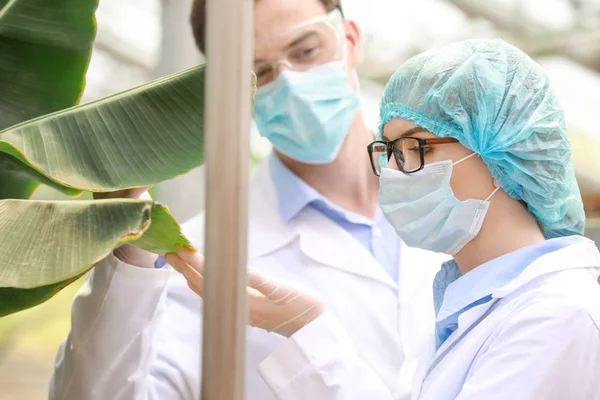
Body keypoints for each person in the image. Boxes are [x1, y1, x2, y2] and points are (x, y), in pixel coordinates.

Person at [49, 1, 448, 399]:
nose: (290, 83)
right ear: (228, 92)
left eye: (306, 50)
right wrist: (128, 251)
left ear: (351, 39)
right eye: (258, 72)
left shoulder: (463, 189)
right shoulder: (199, 262)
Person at [170, 38, 600, 400]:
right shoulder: (473, 309)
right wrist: (307, 329)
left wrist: (312, 336)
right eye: (389, 152)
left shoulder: (556, 316)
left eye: (418, 149)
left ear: (503, 150)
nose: (394, 173)